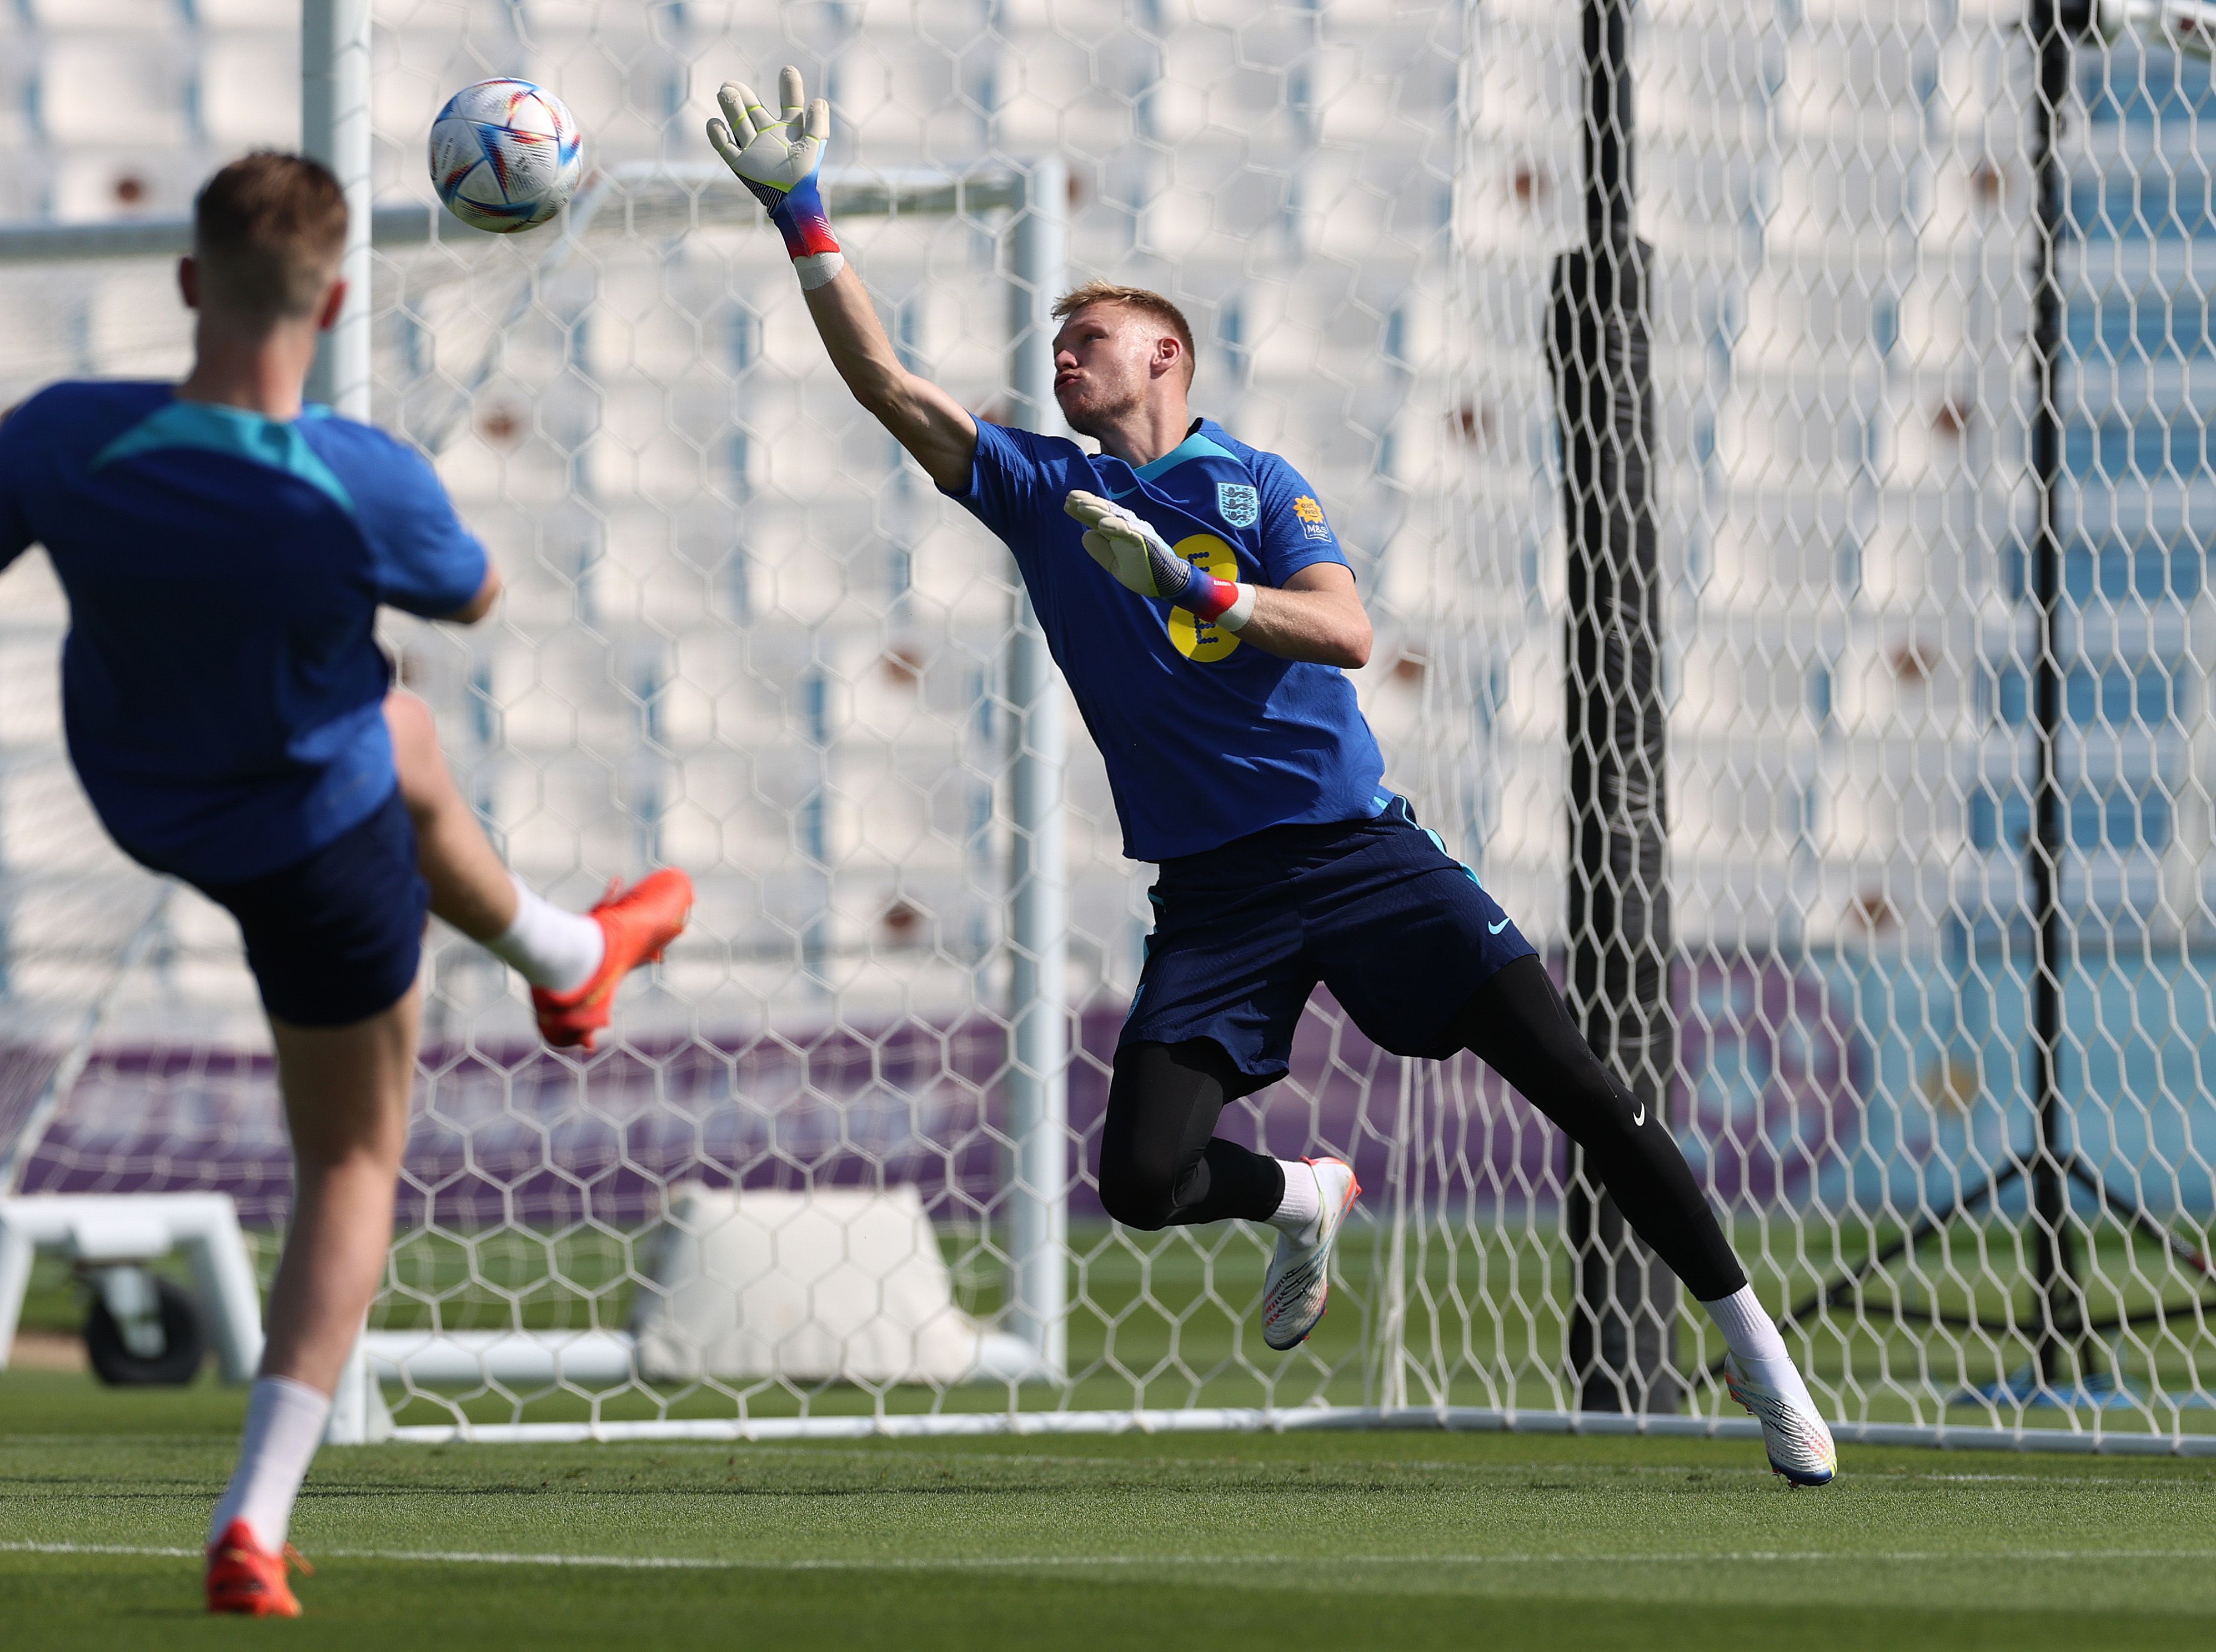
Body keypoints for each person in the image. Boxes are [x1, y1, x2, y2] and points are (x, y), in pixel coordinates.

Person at [705, 70, 1836, 1487]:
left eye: (1093, 339)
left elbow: (1349, 629)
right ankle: (1304, 1194)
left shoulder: (1255, 484)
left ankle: (1755, 1352)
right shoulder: (1043, 495)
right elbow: (885, 384)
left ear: (1167, 356)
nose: (1065, 357)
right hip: (1218, 895)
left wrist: (1193, 587)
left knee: (1588, 1095)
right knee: (1142, 1182)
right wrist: (799, 211)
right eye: (1059, 344)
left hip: (1362, 856)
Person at [0, 152, 695, 1616]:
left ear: (190, 283)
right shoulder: (364, 479)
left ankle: (567, 952)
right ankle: (252, 1522)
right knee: (351, 1167)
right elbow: (477, 593)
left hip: (145, 799)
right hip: (315, 848)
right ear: (328, 306)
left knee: (404, 732)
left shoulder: (61, 439)